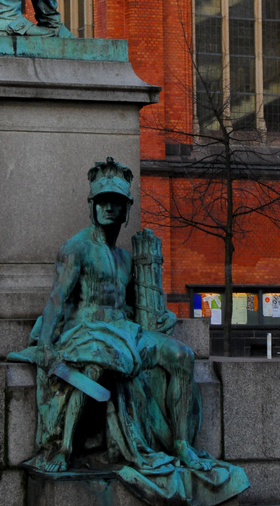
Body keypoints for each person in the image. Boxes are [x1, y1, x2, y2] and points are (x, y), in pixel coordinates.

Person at [20, 158, 213, 475]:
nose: (109, 207)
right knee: (100, 360)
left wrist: (162, 316)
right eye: (103, 201)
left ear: (127, 209)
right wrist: (44, 345)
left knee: (182, 355)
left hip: (125, 330)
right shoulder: (76, 249)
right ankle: (64, 447)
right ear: (92, 206)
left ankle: (181, 444)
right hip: (86, 330)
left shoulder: (125, 258)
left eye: (117, 202)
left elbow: (139, 305)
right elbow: (57, 299)